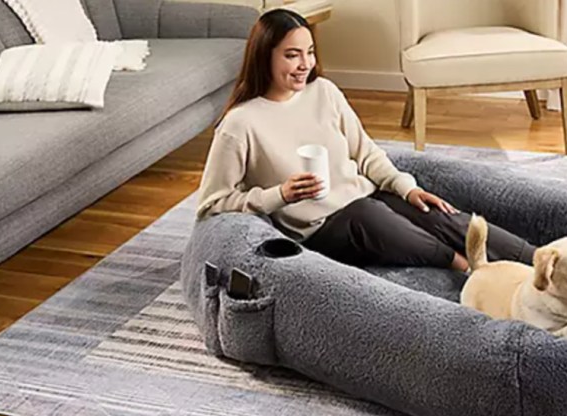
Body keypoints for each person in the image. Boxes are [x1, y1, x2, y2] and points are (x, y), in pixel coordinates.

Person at [196, 9, 536, 271]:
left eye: (309, 52)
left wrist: (406, 188)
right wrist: (278, 195)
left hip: (366, 198)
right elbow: (212, 204)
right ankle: (471, 269)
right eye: (291, 55)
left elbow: (366, 152)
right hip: (320, 230)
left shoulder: (324, 92)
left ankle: (542, 261)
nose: (305, 64)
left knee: (437, 214)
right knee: (374, 218)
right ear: (264, 56)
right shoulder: (240, 124)